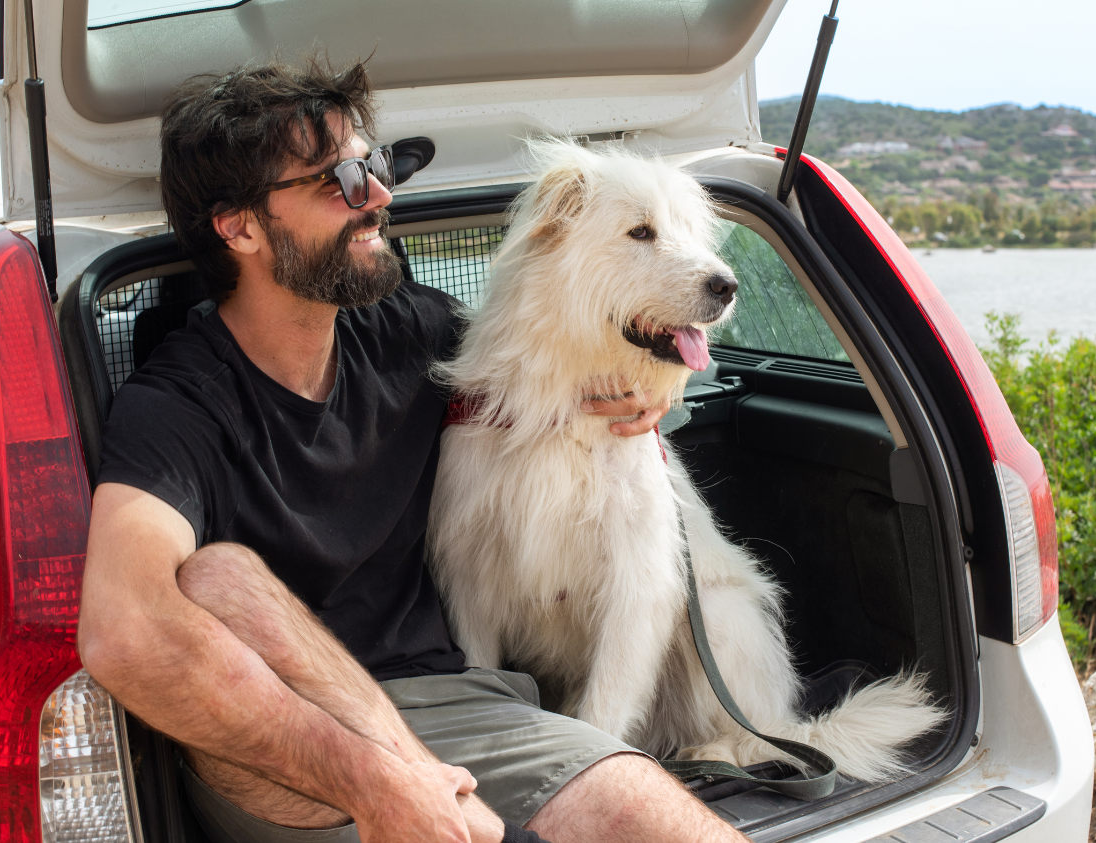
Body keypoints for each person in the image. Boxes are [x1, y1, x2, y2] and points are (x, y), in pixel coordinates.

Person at [78, 60, 750, 843]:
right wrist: (383, 778)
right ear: (240, 226)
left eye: (378, 166)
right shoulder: (175, 404)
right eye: (340, 180)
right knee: (220, 578)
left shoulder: (414, 331)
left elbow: (550, 343)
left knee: (657, 817)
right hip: (284, 733)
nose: (380, 196)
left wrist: (647, 381)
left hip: (456, 701)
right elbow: (125, 629)